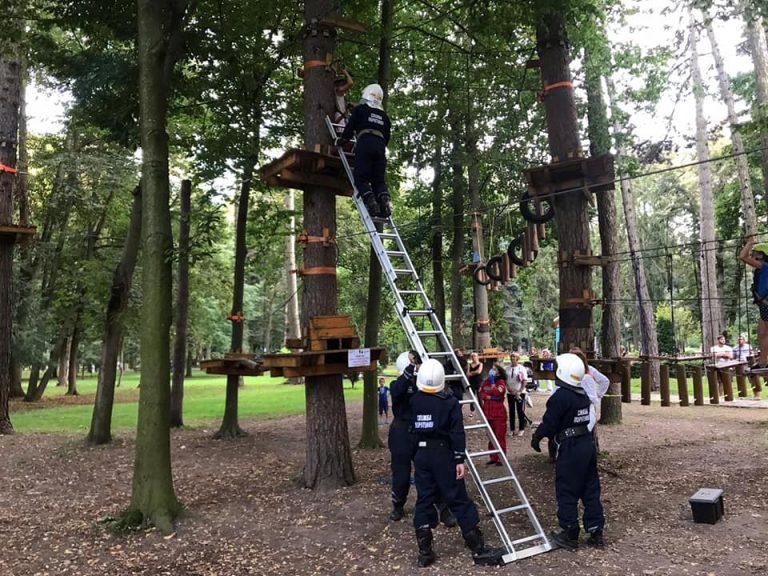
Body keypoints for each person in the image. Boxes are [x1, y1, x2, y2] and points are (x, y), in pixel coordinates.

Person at [410, 359, 504, 567]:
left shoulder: (415, 400)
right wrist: (459, 458)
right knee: (457, 497)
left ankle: (424, 552)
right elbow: (456, 432)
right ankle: (477, 546)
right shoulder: (449, 402)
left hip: (422, 453)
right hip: (443, 454)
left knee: (424, 498)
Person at [530, 353, 606, 550]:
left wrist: (538, 436)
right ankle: (596, 529)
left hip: (571, 447)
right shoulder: (582, 394)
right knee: (590, 488)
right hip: (586, 444)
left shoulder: (560, 397)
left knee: (566, 488)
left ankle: (570, 531)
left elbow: (550, 422)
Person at [388, 351, 456, 527]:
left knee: (431, 470)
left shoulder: (423, 385)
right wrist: (411, 368)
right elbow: (396, 391)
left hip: (421, 430)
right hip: (401, 432)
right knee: (401, 473)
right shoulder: (398, 383)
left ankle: (443, 507)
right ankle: (398, 504)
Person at [338, 83, 392, 218]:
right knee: (378, 181)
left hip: (365, 143)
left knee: (361, 178)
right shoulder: (385, 117)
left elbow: (349, 129)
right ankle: (384, 201)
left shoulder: (360, 110)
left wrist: (341, 141)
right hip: (380, 148)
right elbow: (387, 138)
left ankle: (371, 201)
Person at [740, 238, 768, 370]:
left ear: (762, 255)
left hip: (766, 304)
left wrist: (750, 243)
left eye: (755, 253)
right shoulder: (761, 268)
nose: (752, 255)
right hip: (764, 305)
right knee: (762, 333)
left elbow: (743, 257)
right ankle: (762, 362)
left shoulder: (764, 265)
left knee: (765, 333)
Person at [478, 363, 507, 466]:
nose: (492, 371)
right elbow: (481, 393)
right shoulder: (485, 382)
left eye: (494, 369)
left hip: (498, 414)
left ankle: (501, 458)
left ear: (498, 372)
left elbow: (498, 393)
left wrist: (493, 384)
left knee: (499, 436)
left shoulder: (501, 382)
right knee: (491, 437)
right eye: (492, 369)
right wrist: (489, 397)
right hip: (488, 413)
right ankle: (493, 457)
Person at [506, 353, 529, 436]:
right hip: (510, 392)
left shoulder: (521, 368)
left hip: (520, 393)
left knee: (520, 411)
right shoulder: (507, 368)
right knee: (511, 411)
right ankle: (512, 429)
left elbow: (524, 381)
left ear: (517, 358)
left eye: (514, 357)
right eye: (511, 356)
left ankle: (521, 428)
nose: (512, 358)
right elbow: (505, 380)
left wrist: (520, 391)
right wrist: (508, 388)